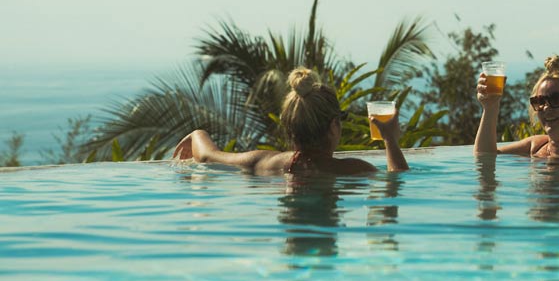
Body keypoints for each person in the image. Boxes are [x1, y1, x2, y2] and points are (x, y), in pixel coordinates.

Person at [172, 67, 409, 175]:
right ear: (333, 126)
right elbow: (397, 183)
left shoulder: (262, 162)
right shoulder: (351, 170)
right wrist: (389, 139)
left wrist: (196, 135)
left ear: (290, 127)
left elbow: (207, 156)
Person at [474, 55, 559, 158]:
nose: (546, 108)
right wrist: (491, 107)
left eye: (555, 99)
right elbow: (485, 157)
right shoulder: (535, 147)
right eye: (539, 101)